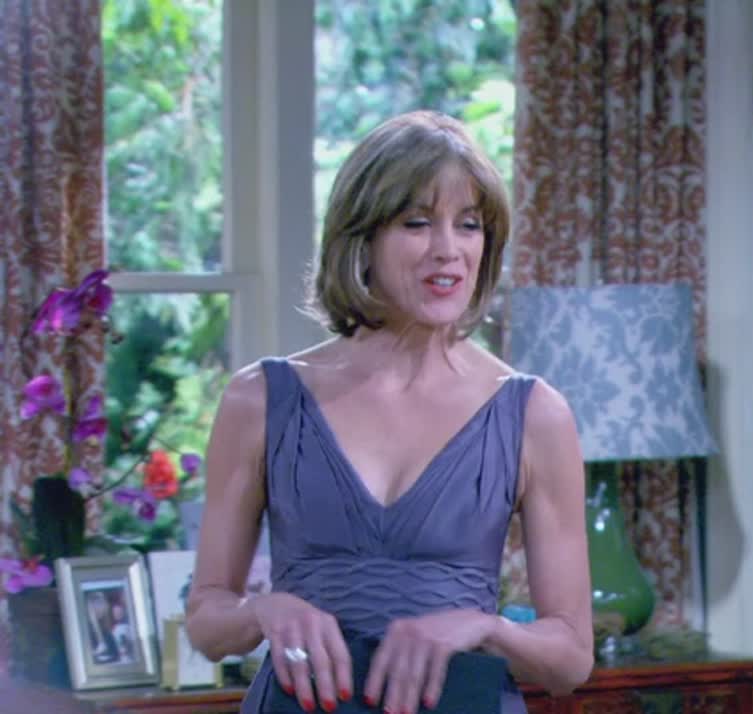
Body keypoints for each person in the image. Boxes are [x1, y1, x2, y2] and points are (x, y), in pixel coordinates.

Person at [185, 110, 594, 714]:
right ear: (363, 239)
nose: (448, 251)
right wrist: (263, 610)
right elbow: (206, 620)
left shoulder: (534, 414)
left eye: (469, 225)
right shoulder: (260, 400)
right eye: (417, 223)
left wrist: (487, 627)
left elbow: (570, 658)